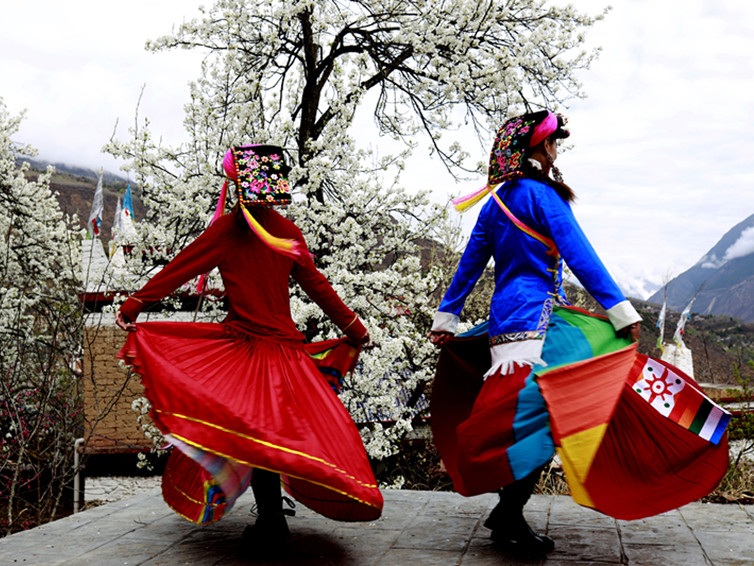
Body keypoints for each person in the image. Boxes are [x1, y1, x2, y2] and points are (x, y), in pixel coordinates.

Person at [115, 145, 382, 554]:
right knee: (276, 433)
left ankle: (272, 518)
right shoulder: (288, 232)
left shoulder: (229, 229)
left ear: (239, 184)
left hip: (245, 352)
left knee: (254, 433)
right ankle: (273, 515)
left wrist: (135, 304)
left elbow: (181, 267)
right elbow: (319, 287)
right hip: (286, 355)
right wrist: (355, 330)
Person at [427, 111, 641, 558]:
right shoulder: (544, 197)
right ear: (542, 149)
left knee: (532, 418)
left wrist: (447, 317)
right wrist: (618, 310)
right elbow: (580, 254)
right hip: (539, 318)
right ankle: (509, 513)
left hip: (504, 324)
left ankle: (508, 510)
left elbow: (469, 265)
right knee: (549, 416)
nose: (556, 150)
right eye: (554, 143)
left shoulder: (495, 204)